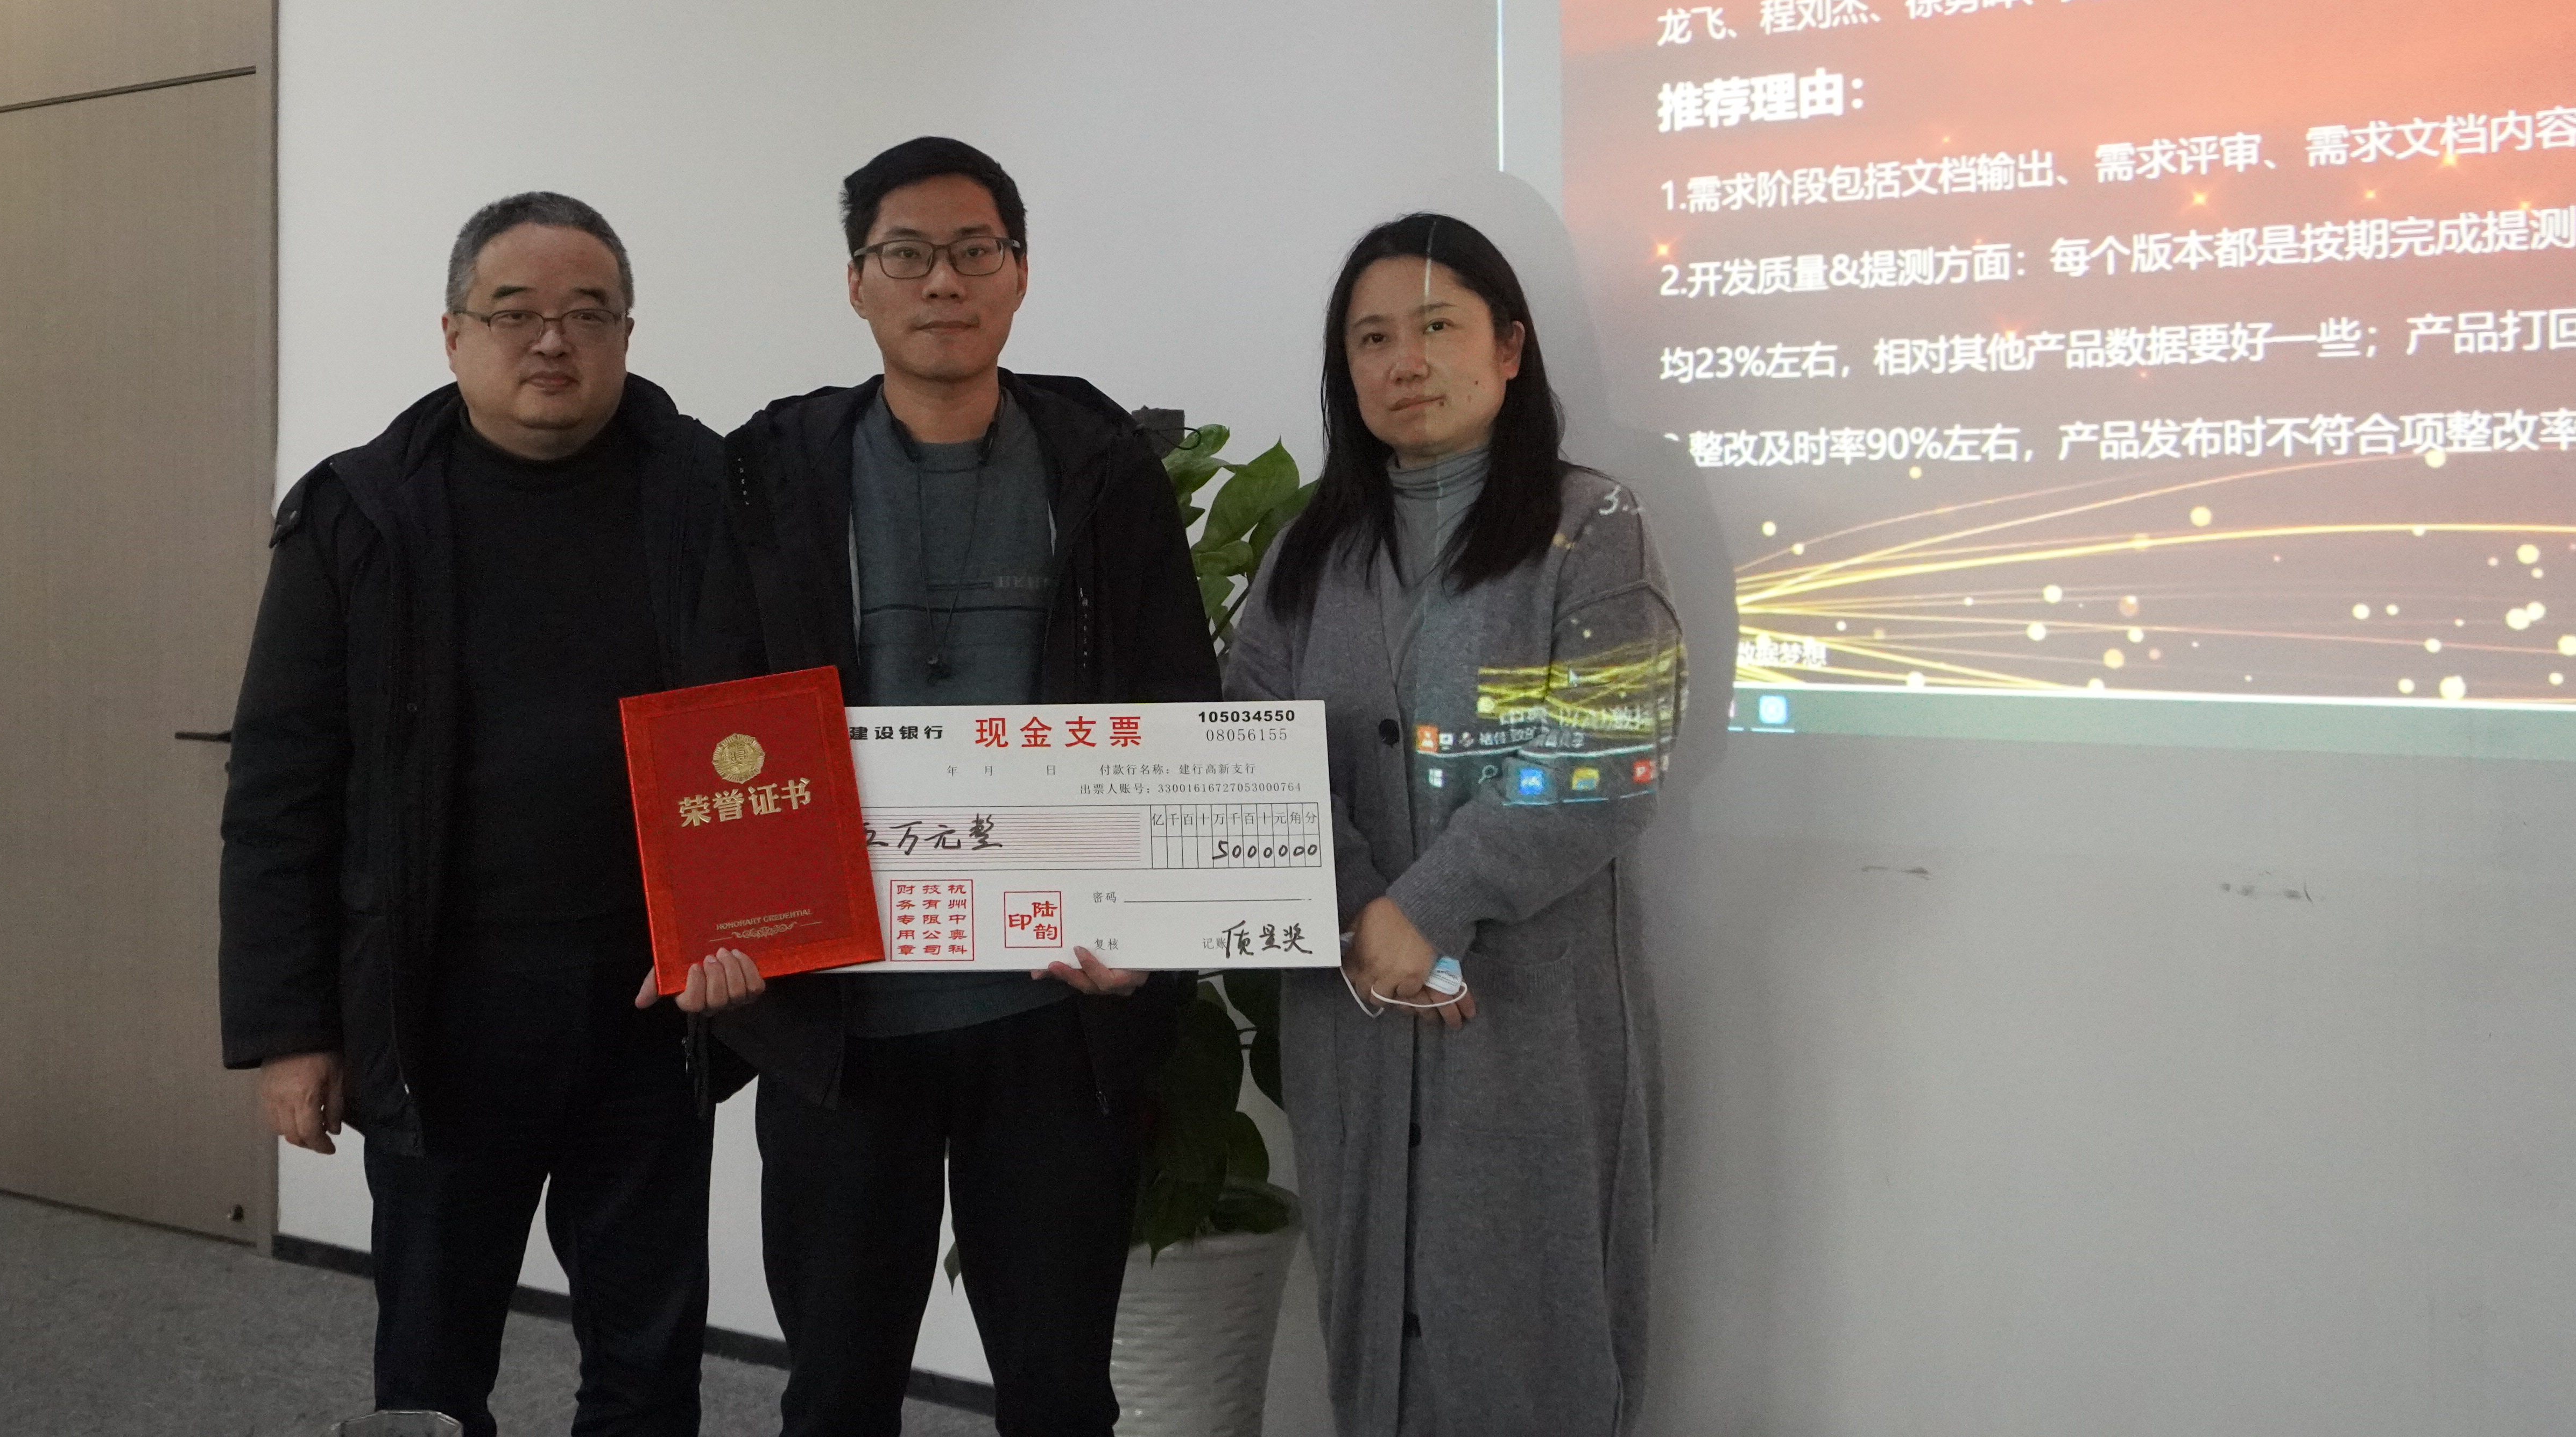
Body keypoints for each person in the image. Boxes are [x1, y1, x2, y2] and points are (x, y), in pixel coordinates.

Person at [217, 192, 764, 1437]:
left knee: (648, 1360)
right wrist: (289, 1029)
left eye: (589, 313)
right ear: (453, 331)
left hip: (654, 1003)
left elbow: (775, 726)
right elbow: (280, 789)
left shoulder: (711, 493)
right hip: (441, 1007)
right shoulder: (361, 513)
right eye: (514, 312)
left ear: (629, 332)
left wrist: (757, 926)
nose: (553, 340)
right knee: (430, 1360)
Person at [706, 135, 1215, 1437]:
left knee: (1061, 1393)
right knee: (835, 1393)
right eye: (907, 253)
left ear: (1020, 272)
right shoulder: (775, 473)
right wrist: (710, 916)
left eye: (975, 250)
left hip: (1052, 1011)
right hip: (842, 1022)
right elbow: (718, 706)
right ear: (857, 282)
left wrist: (1154, 929)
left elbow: (1175, 701)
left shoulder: (1102, 470)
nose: (944, 280)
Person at [1228, 214, 1685, 1437]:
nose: (1406, 361)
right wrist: (1363, 911)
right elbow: (1253, 747)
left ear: (1510, 348)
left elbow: (1603, 757)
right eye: (1373, 338)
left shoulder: (1591, 527)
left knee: (1528, 1323)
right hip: (1354, 1002)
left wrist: (1430, 907)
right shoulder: (1306, 548)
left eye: (1437, 327)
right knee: (1375, 1325)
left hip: (1528, 1012)